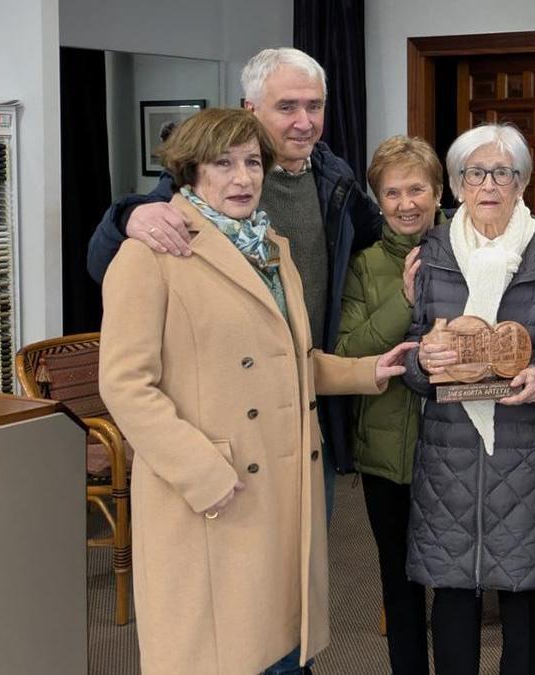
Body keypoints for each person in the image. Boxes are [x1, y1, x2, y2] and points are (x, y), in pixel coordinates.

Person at [97, 108, 416, 675]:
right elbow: (125, 385)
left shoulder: (271, 248)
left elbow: (291, 360)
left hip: (279, 482)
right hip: (211, 489)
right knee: (221, 653)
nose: (243, 178)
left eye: (251, 163)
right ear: (190, 171)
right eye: (224, 164)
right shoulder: (149, 254)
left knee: (280, 645)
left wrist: (369, 370)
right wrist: (203, 473)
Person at [86, 47, 386, 524]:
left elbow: (379, 240)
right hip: (227, 415)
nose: (304, 122)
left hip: (305, 392)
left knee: (304, 544)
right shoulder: (203, 175)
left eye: (314, 106)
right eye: (287, 107)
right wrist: (126, 217)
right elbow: (110, 264)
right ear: (251, 109)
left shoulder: (334, 177)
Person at [401, 123, 535, 675]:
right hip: (448, 454)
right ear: (458, 184)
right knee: (452, 597)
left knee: (525, 600)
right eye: (475, 173)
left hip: (527, 453)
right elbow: (413, 352)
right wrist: (423, 363)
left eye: (503, 173)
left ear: (522, 182)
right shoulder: (432, 252)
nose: (489, 185)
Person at [334, 135, 445, 674]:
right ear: (378, 200)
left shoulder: (468, 253)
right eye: (392, 193)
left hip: (453, 448)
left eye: (417, 189)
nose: (406, 204)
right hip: (386, 455)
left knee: (453, 585)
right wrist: (404, 300)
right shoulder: (363, 266)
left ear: (438, 192)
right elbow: (348, 352)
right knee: (398, 585)